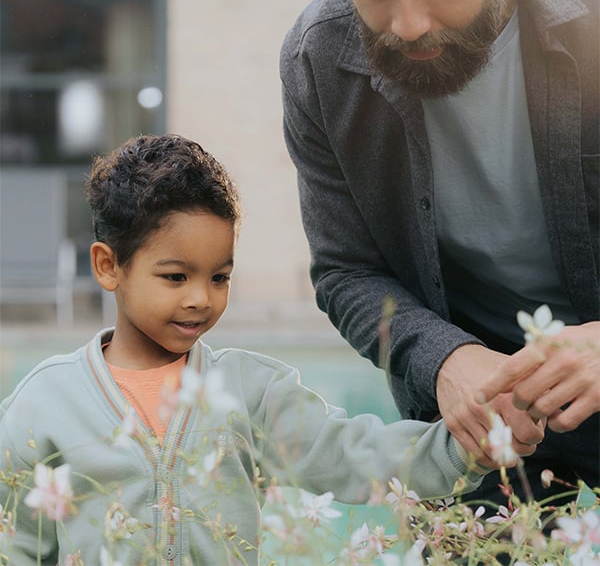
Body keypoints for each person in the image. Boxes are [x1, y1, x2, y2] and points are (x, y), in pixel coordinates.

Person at [280, 0, 599, 506]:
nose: (408, 22)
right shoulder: (316, 59)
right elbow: (347, 271)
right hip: (480, 409)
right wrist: (446, 359)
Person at [0, 134, 493, 566]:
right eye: (176, 277)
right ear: (109, 266)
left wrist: (467, 445)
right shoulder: (44, 402)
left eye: (220, 277)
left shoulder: (250, 390)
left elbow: (353, 454)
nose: (201, 298)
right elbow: (16, 545)